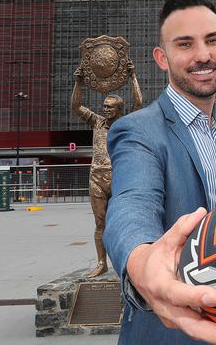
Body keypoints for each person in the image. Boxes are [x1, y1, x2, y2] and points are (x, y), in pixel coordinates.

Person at [104, 0, 216, 344]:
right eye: (185, 44)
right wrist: (143, 263)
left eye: (212, 41)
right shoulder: (138, 131)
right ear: (163, 57)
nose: (203, 55)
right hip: (175, 332)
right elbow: (132, 203)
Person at [71, 65, 142, 278]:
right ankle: (101, 262)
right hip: (97, 177)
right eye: (104, 106)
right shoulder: (96, 122)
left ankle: (127, 263)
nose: (105, 109)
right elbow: (77, 106)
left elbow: (138, 103)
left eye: (110, 107)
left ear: (119, 109)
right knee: (100, 222)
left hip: (120, 176)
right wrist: (78, 82)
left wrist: (132, 76)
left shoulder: (126, 123)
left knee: (125, 221)